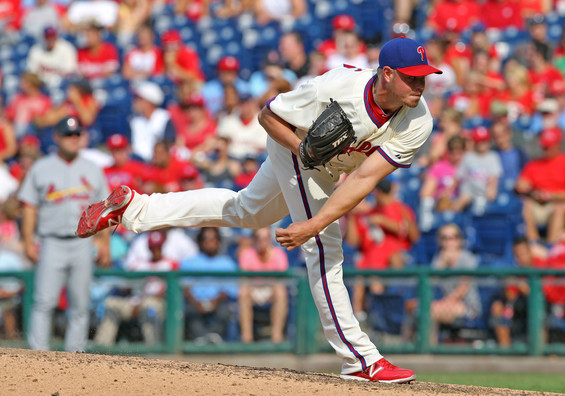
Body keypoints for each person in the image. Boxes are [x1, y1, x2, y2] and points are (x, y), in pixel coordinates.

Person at [76, 37, 444, 383]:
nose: (420, 86)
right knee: (324, 248)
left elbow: (365, 178)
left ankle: (135, 208)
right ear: (388, 74)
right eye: (413, 78)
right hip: (294, 146)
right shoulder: (336, 87)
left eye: (425, 78)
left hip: (330, 166)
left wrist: (312, 221)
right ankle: (361, 360)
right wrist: (304, 158)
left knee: (247, 211)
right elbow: (269, 115)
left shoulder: (419, 119)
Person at [18, 116, 110, 352]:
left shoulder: (92, 169)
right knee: (44, 301)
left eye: (77, 134)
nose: (73, 139)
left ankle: (75, 357)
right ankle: (38, 354)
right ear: (57, 137)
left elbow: (104, 208)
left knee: (80, 304)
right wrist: (28, 241)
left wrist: (104, 243)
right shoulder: (41, 168)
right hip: (52, 241)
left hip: (83, 243)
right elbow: (29, 207)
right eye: (68, 134)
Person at [346, 178, 419, 320]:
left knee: (376, 275)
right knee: (361, 274)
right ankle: (359, 317)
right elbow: (353, 242)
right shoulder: (369, 212)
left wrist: (383, 220)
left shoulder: (400, 209)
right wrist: (352, 216)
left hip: (394, 256)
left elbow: (412, 235)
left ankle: (381, 316)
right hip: (370, 258)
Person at [94, 229, 178, 346]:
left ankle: (154, 349)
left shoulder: (171, 264)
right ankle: (101, 347)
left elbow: (170, 291)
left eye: (158, 247)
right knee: (111, 303)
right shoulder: (139, 264)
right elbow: (127, 286)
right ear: (149, 247)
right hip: (134, 301)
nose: (156, 250)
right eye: (153, 247)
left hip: (155, 303)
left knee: (149, 307)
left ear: (163, 246)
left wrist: (142, 301)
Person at [515, 127, 565, 243]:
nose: (545, 149)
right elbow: (521, 184)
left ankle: (551, 246)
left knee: (559, 208)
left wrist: (553, 196)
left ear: (558, 145)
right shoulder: (534, 164)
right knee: (525, 205)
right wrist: (527, 190)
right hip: (537, 202)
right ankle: (533, 244)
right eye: (544, 146)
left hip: (560, 203)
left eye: (548, 146)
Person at [180, 227, 238, 343]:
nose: (210, 243)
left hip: (218, 302)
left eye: (213, 239)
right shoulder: (188, 262)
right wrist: (196, 302)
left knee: (225, 310)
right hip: (195, 302)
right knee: (188, 310)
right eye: (206, 239)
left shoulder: (227, 263)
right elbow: (185, 288)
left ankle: (214, 336)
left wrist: (215, 301)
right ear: (200, 242)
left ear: (219, 241)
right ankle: (200, 337)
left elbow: (229, 290)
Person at [238, 226, 289, 343]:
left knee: (280, 292)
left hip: (271, 290)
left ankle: (277, 337)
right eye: (259, 238)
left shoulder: (278, 254)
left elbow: (281, 280)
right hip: (253, 290)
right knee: (243, 292)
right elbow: (244, 279)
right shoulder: (247, 254)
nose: (262, 241)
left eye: (265, 238)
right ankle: (247, 338)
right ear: (254, 239)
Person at [451, 126, 502, 213]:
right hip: (468, 191)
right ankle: (451, 218)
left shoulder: (493, 156)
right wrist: (450, 190)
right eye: (479, 141)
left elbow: (494, 177)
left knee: (482, 207)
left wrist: (492, 189)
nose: (481, 144)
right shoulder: (468, 156)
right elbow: (458, 176)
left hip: (483, 191)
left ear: (489, 142)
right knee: (461, 200)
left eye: (484, 141)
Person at [129, 81, 176, 162]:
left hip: (158, 162)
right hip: (137, 161)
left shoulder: (164, 117)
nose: (135, 102)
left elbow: (169, 143)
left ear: (149, 102)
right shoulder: (134, 121)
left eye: (139, 99)